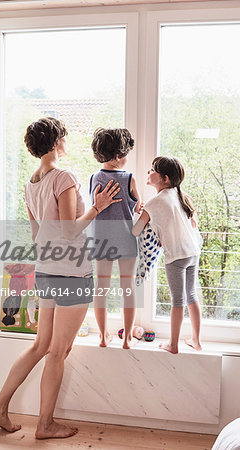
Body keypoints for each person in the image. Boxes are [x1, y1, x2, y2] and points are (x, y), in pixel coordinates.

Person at [0, 117, 121, 439]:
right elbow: (70, 229)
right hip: (72, 272)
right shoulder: (64, 177)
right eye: (64, 137)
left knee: (41, 346)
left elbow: (37, 235)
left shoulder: (31, 183)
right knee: (57, 351)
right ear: (56, 142)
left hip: (46, 270)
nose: (66, 142)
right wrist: (97, 207)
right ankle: (44, 425)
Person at [132, 156, 202, 354]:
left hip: (177, 257)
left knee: (177, 301)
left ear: (165, 178)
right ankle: (196, 340)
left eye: (152, 169)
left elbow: (136, 231)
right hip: (193, 252)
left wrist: (139, 212)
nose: (148, 172)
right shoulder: (180, 195)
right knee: (191, 295)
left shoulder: (154, 203)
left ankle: (173, 344)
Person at [90, 128, 143, 349]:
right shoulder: (129, 178)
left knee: (101, 289)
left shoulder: (94, 178)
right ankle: (128, 338)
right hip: (125, 238)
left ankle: (103, 336)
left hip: (102, 240)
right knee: (127, 288)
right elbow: (138, 205)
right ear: (119, 156)